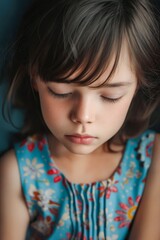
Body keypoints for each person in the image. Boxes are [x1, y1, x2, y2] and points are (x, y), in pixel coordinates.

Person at [0, 0, 160, 239]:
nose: (83, 117)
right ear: (34, 77)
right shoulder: (19, 171)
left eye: (110, 96)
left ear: (138, 85)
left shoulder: (152, 158)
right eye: (61, 92)